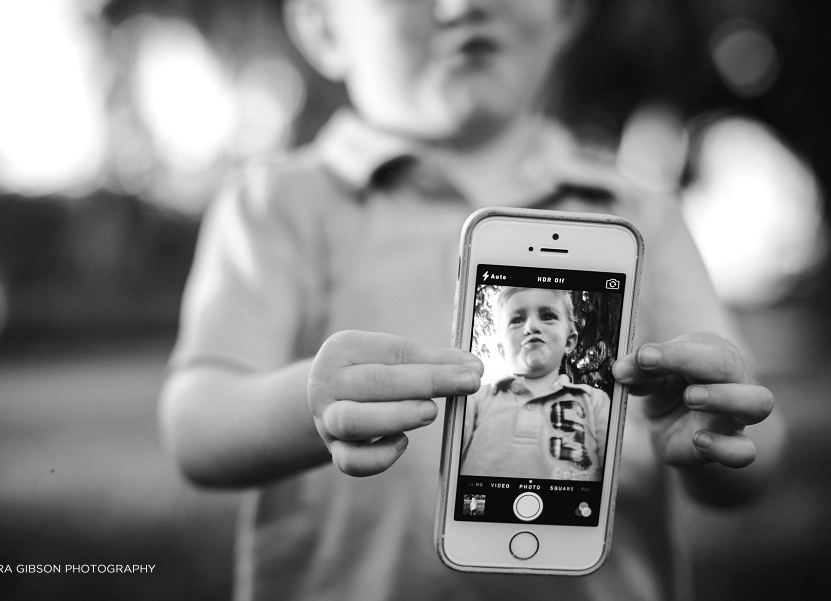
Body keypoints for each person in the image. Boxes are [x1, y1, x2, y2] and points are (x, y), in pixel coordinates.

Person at [160, 1, 785, 600]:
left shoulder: (641, 216)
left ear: (564, 11)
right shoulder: (277, 206)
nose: (462, 5)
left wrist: (713, 430)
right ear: (323, 26)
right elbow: (196, 424)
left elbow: (757, 446)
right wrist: (310, 403)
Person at [461, 287, 609, 480]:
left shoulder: (594, 401)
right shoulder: (475, 398)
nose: (531, 326)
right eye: (517, 320)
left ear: (569, 341)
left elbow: (619, 476)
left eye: (548, 316)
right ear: (502, 350)